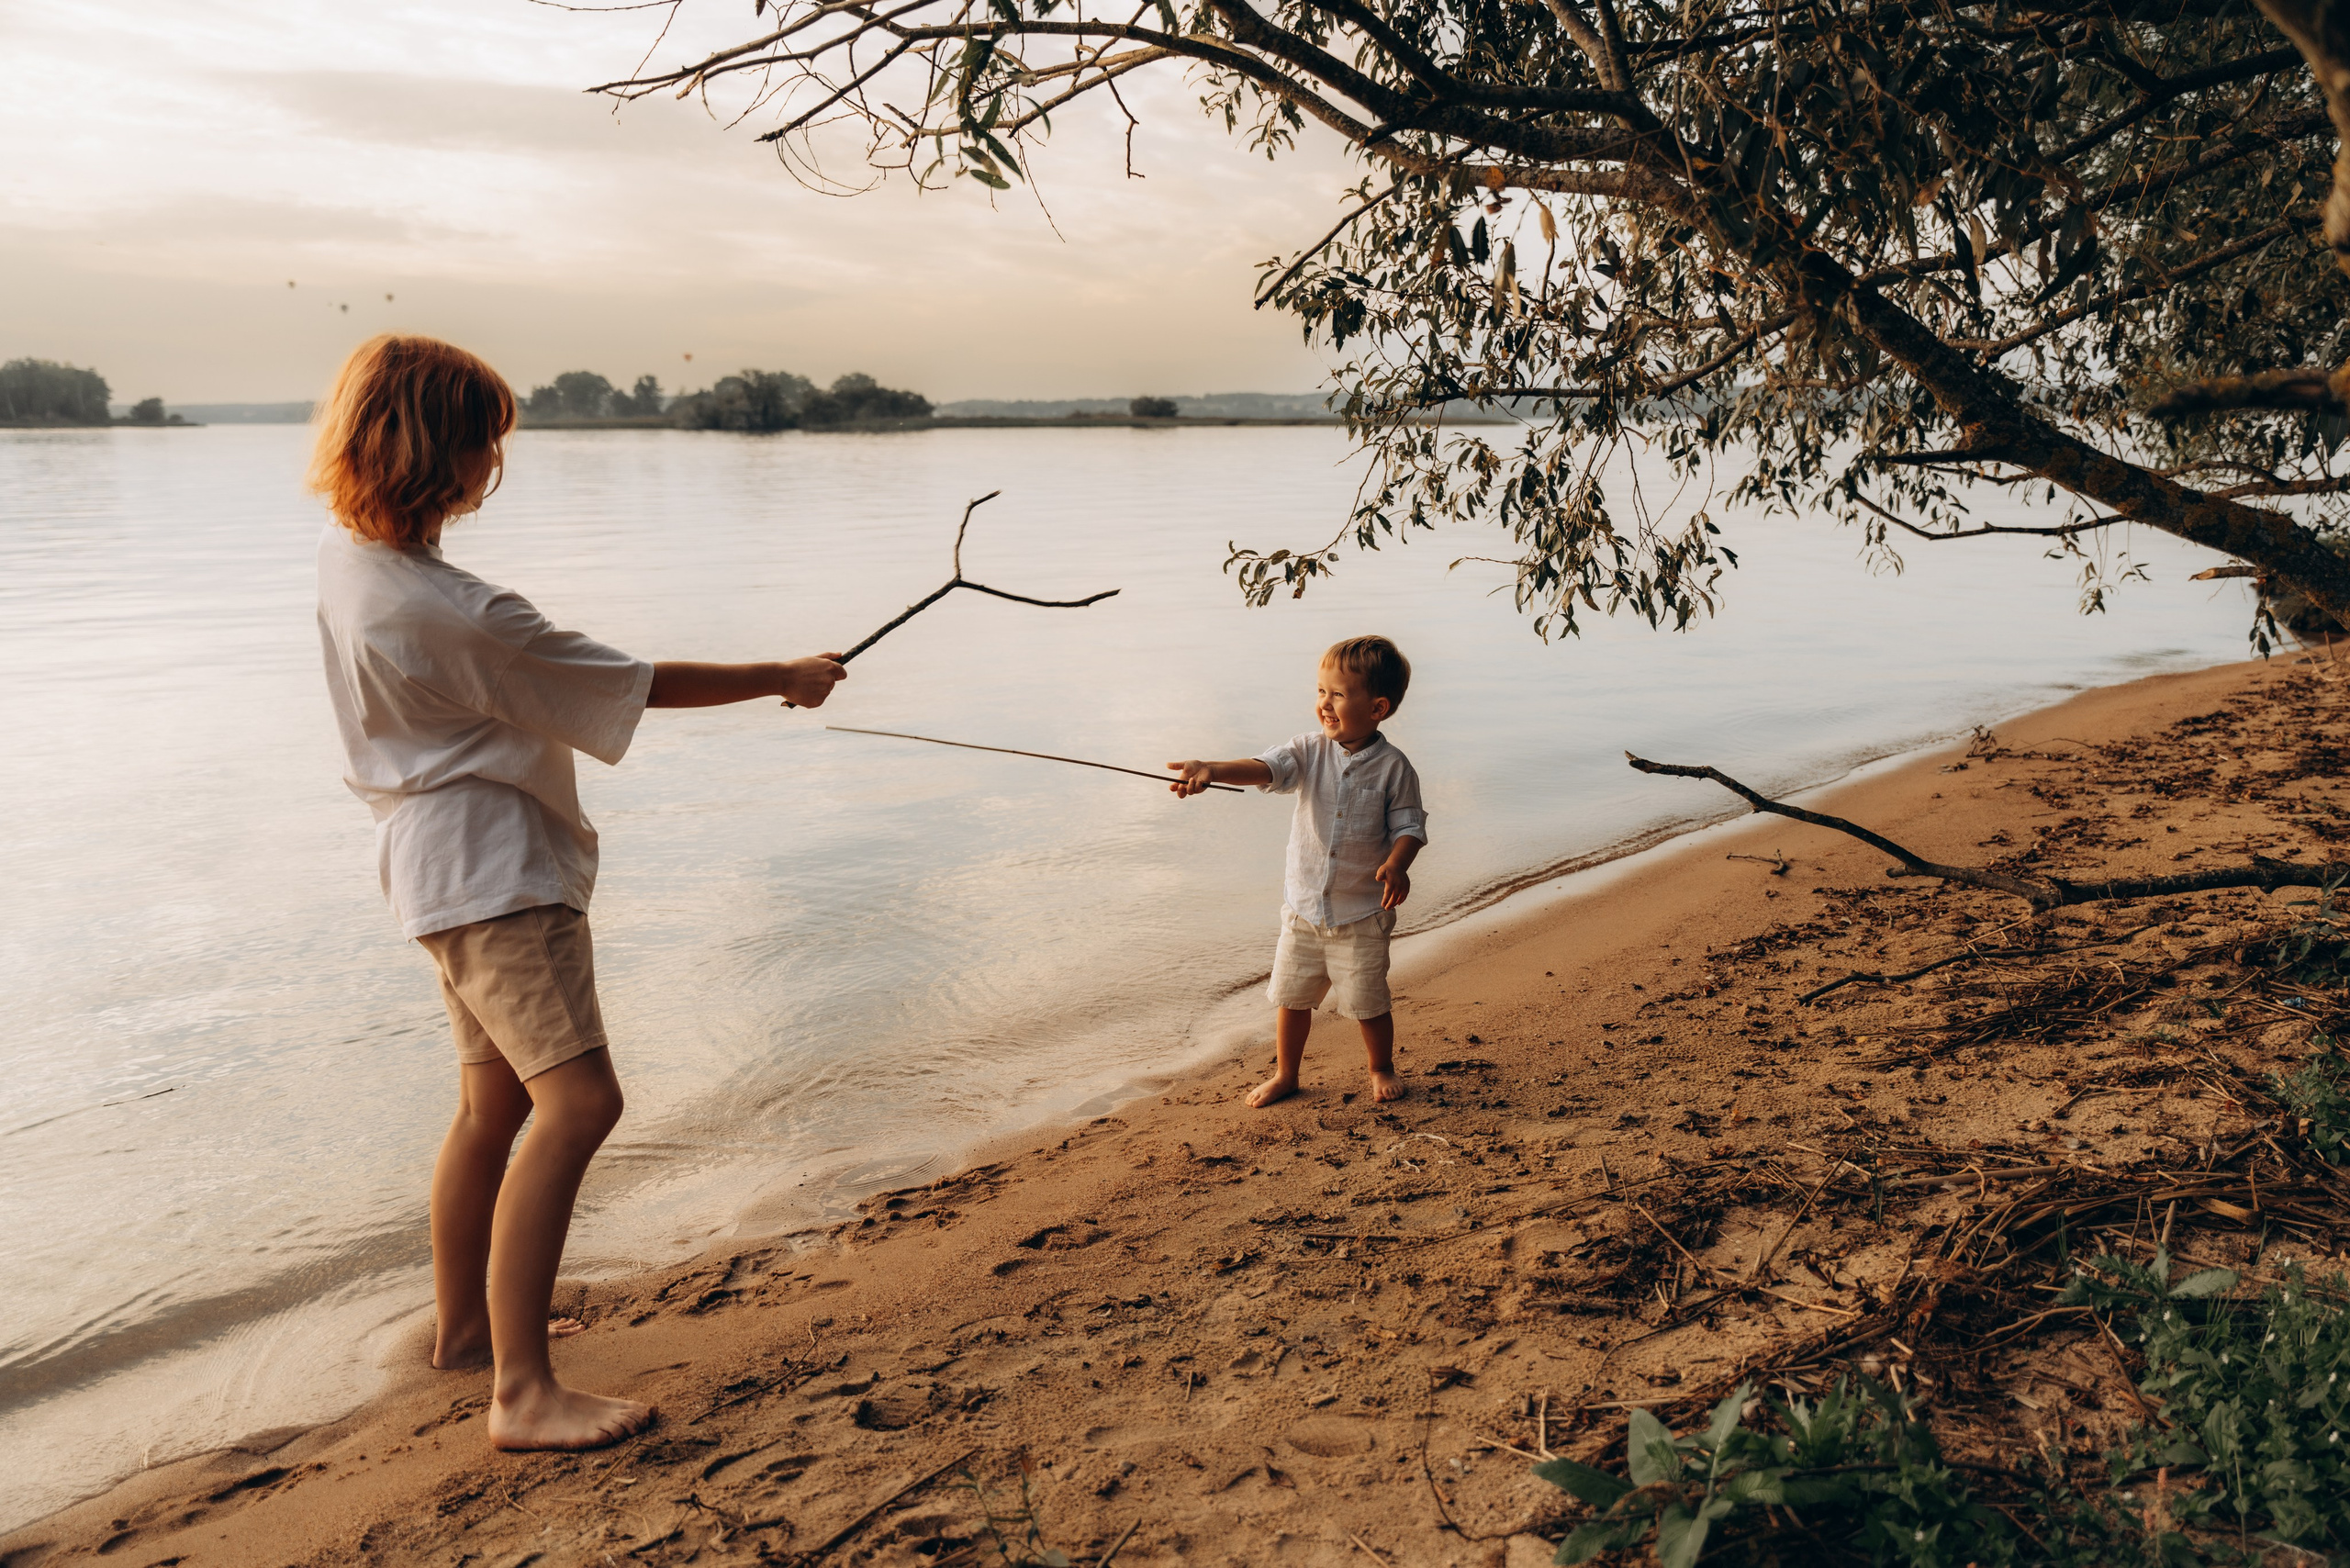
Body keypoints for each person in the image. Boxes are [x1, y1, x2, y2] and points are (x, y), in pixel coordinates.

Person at [309, 334, 846, 1451]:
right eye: (482, 442)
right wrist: (781, 676)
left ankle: (467, 1334)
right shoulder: (453, 610)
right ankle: (521, 1392)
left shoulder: (352, 564)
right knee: (581, 1104)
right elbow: (631, 685)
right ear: (437, 450)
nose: (489, 465)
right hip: (500, 875)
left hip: (432, 870)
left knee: (493, 1109)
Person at [1166, 636, 1427, 1107]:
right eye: (1321, 691)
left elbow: (1409, 824)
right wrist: (1211, 769)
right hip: (1304, 908)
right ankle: (1287, 1073)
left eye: (1339, 695)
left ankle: (1380, 1066)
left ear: (1378, 707)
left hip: (1361, 913)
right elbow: (1265, 767)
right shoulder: (1308, 751)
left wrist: (1397, 864)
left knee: (1369, 1002)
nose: (1324, 704)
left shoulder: (1394, 768)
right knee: (1291, 998)